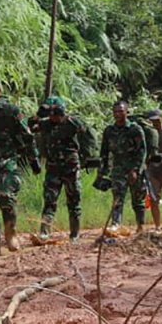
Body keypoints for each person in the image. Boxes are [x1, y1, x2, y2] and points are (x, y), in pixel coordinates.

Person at [0, 74, 40, 255]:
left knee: (6, 196)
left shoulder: (10, 111)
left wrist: (33, 160)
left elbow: (27, 136)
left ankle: (11, 233)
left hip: (7, 161)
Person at [35, 96, 97, 242]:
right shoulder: (46, 124)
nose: (53, 117)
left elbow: (89, 135)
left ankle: (74, 234)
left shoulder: (72, 123)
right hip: (53, 168)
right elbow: (31, 126)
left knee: (74, 201)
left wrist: (86, 156)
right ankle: (44, 232)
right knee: (49, 200)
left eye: (56, 114)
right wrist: (39, 114)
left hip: (71, 168)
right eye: (51, 114)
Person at [98, 100, 148, 233]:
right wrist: (102, 172)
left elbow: (142, 151)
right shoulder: (109, 131)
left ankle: (141, 226)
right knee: (117, 198)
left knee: (138, 199)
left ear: (127, 112)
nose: (117, 114)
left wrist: (136, 170)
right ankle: (116, 224)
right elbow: (104, 152)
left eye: (120, 111)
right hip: (118, 170)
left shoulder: (135, 129)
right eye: (115, 112)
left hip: (134, 169)